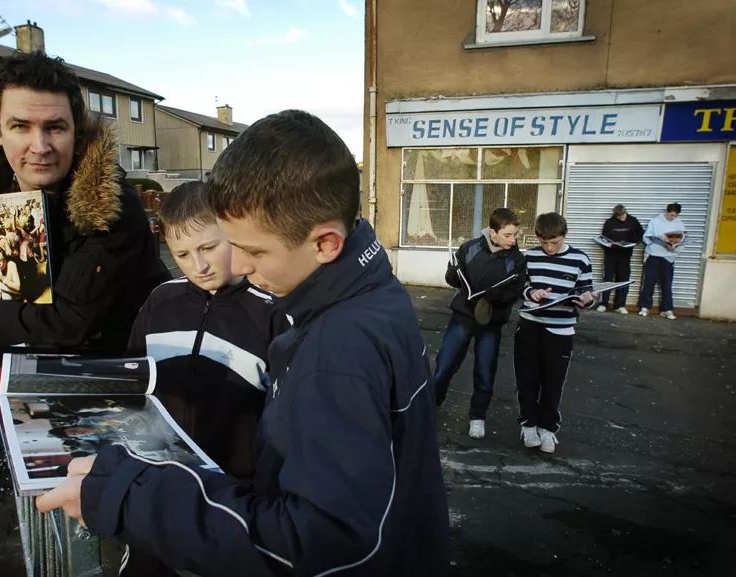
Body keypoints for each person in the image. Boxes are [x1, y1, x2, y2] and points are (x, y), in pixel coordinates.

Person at [36, 109, 451, 575]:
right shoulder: (374, 296)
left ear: (326, 243)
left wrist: (130, 496)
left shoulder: (336, 349)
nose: (244, 267)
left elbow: (318, 541)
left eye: (254, 251)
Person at [0, 51, 169, 353]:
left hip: (116, 369)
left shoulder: (110, 208)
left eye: (55, 127)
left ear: (75, 129)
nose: (40, 147)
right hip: (21, 372)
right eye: (20, 127)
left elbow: (71, 323)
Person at [121, 181, 289, 576]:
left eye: (209, 247)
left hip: (232, 498)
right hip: (157, 487)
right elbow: (131, 385)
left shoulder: (272, 314)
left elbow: (285, 421)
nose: (199, 266)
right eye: (182, 254)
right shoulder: (159, 302)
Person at [433, 207, 526, 440]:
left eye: (515, 235)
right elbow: (455, 279)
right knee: (444, 365)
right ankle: (431, 405)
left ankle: (477, 417)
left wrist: (498, 297)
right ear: (492, 233)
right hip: (463, 315)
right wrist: (452, 275)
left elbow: (516, 291)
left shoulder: (516, 259)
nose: (512, 240)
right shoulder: (470, 247)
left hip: (491, 321)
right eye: (508, 235)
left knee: (485, 371)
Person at [514, 213, 595, 454]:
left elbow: (587, 292)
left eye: (555, 242)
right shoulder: (529, 257)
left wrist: (586, 300)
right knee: (526, 379)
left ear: (564, 235)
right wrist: (532, 294)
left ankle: (548, 429)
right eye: (544, 242)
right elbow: (521, 287)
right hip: (529, 324)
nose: (549, 248)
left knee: (553, 383)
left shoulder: (580, 259)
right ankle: (528, 425)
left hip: (561, 330)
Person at [638, 202, 686, 320]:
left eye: (675, 215)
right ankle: (645, 307)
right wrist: (660, 238)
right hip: (654, 254)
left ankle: (667, 309)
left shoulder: (679, 223)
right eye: (671, 215)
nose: (672, 217)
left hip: (668, 256)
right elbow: (646, 237)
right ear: (666, 212)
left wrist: (674, 245)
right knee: (649, 282)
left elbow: (682, 238)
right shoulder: (655, 221)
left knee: (667, 284)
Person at [596, 204, 643, 314]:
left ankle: (620, 305)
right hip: (611, 255)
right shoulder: (609, 222)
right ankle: (603, 303)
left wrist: (632, 241)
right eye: (619, 217)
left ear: (626, 212)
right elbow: (604, 237)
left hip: (625, 254)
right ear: (615, 215)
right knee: (607, 279)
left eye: (623, 216)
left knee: (623, 280)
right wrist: (609, 245)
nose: (622, 218)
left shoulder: (633, 220)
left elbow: (641, 234)